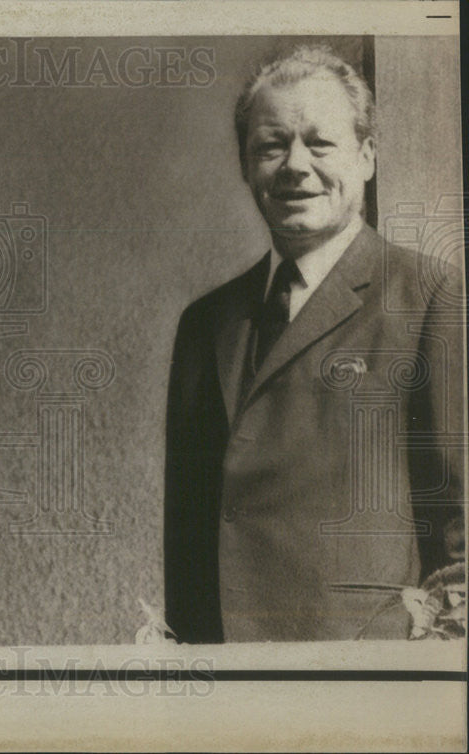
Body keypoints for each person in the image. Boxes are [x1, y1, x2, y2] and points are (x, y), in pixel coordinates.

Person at [164, 46, 465, 643]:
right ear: (247, 167)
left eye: (320, 143)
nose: (295, 165)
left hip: (366, 671)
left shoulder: (431, 294)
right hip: (233, 678)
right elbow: (188, 536)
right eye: (271, 146)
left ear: (367, 156)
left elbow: (460, 520)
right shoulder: (206, 323)